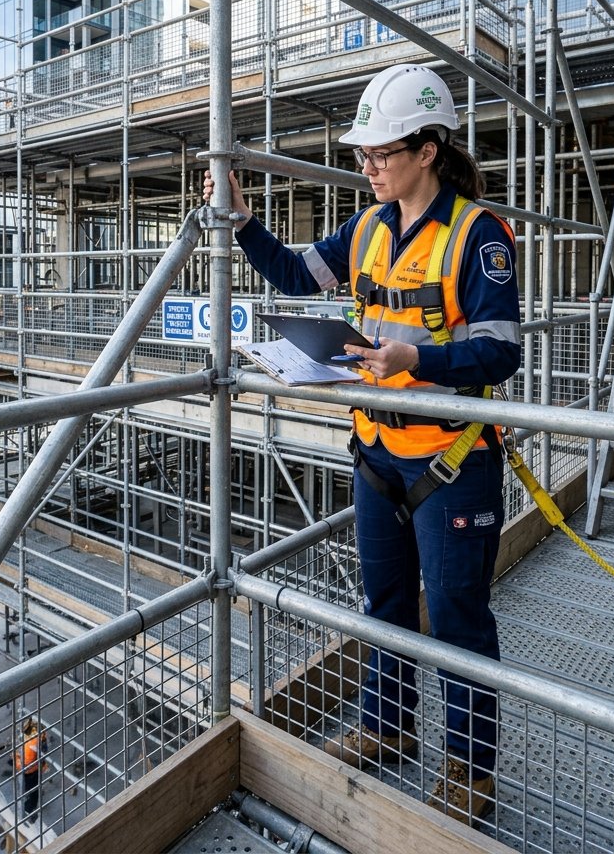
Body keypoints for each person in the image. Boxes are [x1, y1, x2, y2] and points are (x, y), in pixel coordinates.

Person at [203, 63, 521, 825]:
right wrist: (243, 220)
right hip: (378, 456)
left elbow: (502, 351)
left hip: (451, 461)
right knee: (382, 605)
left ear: (428, 151)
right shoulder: (368, 228)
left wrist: (419, 360)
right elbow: (291, 273)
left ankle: (471, 770)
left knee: (456, 618)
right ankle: (387, 726)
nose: (368, 166)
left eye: (381, 153)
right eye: (364, 154)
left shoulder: (478, 237)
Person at [14, 717, 46, 821]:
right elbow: (41, 750)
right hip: (31, 769)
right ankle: (29, 809)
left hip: (27, 768)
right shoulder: (35, 738)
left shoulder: (29, 738)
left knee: (29, 789)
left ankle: (29, 809)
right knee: (32, 791)